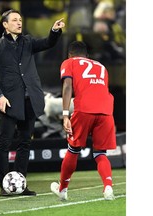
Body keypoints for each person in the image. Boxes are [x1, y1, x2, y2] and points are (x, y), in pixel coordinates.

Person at [0, 9, 65, 197]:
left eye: (20, 19)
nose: (19, 22)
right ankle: (5, 185)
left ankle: (21, 184)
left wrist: (54, 31)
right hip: (10, 103)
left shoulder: (28, 41)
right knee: (4, 145)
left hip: (30, 101)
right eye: (14, 20)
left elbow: (47, 43)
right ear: (5, 24)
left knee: (25, 144)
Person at [50, 41, 117, 201]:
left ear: (70, 55)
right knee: (100, 153)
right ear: (87, 55)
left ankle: (63, 190)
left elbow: (67, 86)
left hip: (84, 109)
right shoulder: (101, 66)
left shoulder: (69, 62)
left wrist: (65, 114)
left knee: (73, 149)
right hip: (106, 110)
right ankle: (108, 186)